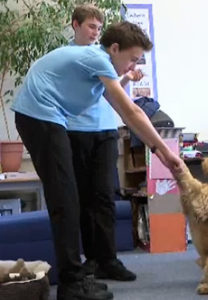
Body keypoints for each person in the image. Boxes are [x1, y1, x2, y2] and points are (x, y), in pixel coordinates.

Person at [11, 20, 184, 300]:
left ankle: (78, 277)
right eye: (132, 59)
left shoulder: (97, 65)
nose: (132, 66)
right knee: (65, 201)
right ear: (114, 49)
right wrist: (164, 152)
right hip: (38, 117)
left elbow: (122, 108)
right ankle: (71, 285)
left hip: (45, 118)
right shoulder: (97, 58)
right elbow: (132, 113)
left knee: (70, 199)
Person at [68, 4, 140, 283]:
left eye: (99, 28)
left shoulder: (104, 56)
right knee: (84, 199)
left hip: (106, 129)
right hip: (76, 131)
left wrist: (126, 77)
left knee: (105, 196)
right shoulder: (68, 56)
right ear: (75, 25)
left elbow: (107, 92)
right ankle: (92, 259)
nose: (95, 33)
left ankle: (109, 260)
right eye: (90, 27)